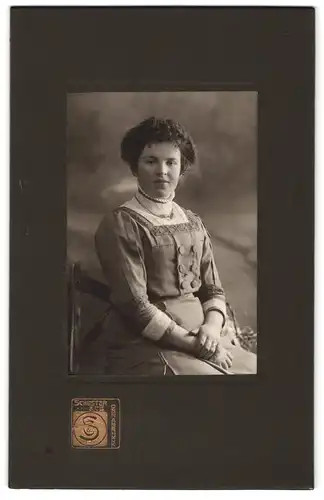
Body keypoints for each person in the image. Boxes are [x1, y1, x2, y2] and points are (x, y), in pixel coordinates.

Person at [83, 117, 256, 375]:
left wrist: (210, 328)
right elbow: (136, 308)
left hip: (205, 336)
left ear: (181, 168)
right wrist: (199, 346)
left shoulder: (193, 222)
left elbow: (213, 290)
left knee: (255, 371)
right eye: (151, 161)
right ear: (134, 167)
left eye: (171, 162)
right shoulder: (120, 224)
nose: (161, 171)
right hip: (148, 344)